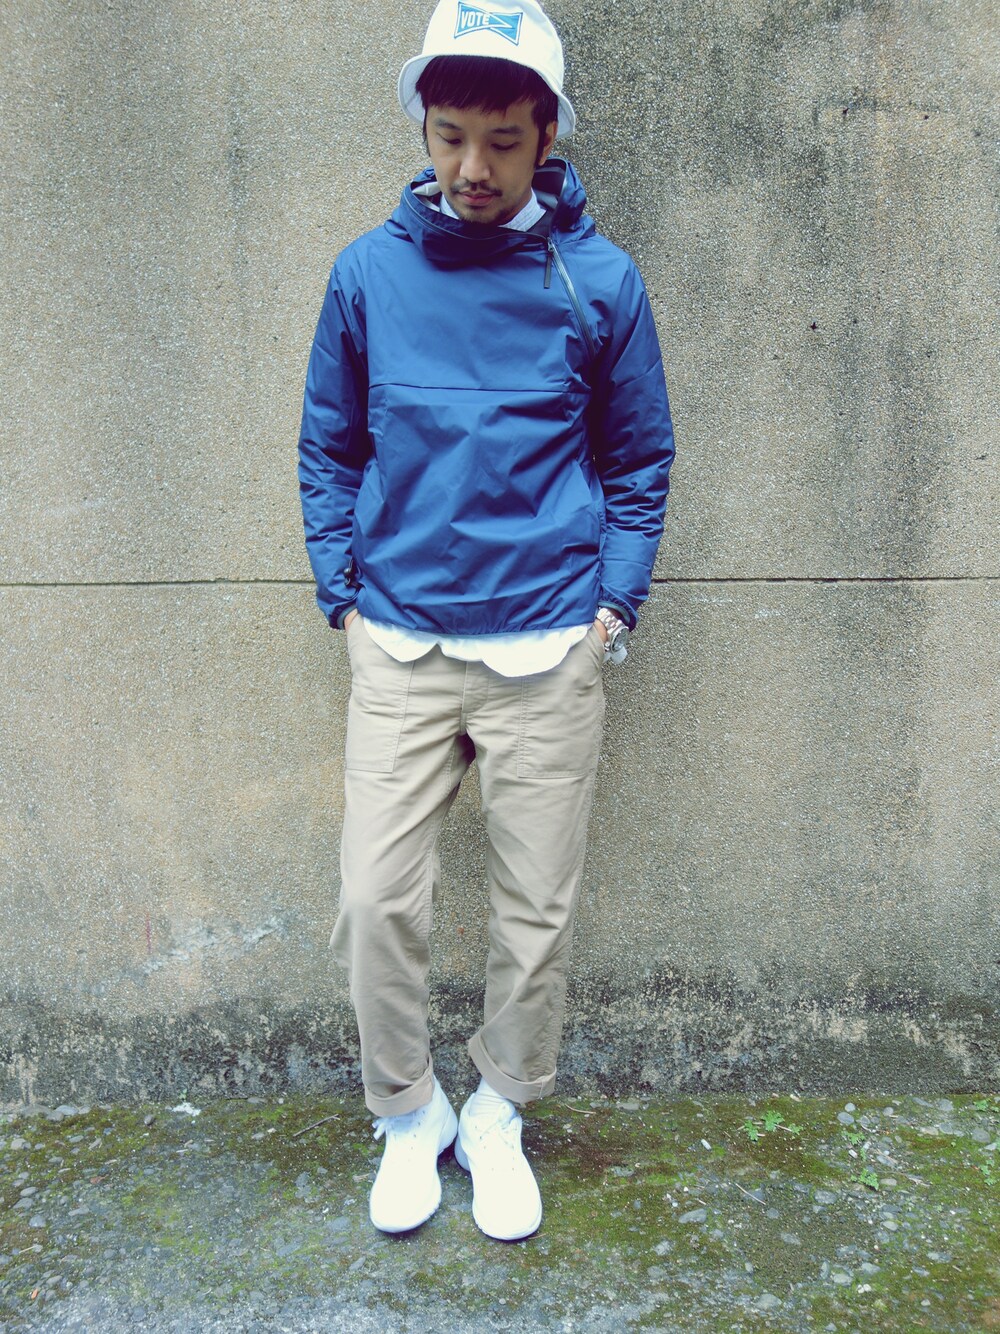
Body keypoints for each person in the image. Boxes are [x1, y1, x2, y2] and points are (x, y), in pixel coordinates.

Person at [298, 0, 674, 1242]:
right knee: (375, 899)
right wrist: (343, 592)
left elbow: (638, 458)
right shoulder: (367, 273)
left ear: (546, 136)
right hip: (403, 641)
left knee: (534, 910)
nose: (472, 166)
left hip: (547, 646)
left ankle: (500, 1108)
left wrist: (611, 607)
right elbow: (329, 445)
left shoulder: (599, 280)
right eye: (450, 134)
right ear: (424, 128)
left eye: (502, 140)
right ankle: (409, 1112)